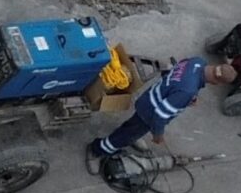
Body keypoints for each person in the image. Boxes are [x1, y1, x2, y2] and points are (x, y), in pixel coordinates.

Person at [90, 58, 232, 160]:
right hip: (149, 112)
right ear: (217, 82)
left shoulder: (197, 62)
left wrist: (185, 97)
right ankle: (100, 149)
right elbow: (160, 115)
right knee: (128, 133)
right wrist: (158, 135)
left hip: (149, 97)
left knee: (132, 128)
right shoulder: (187, 91)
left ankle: (129, 138)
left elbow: (172, 72)